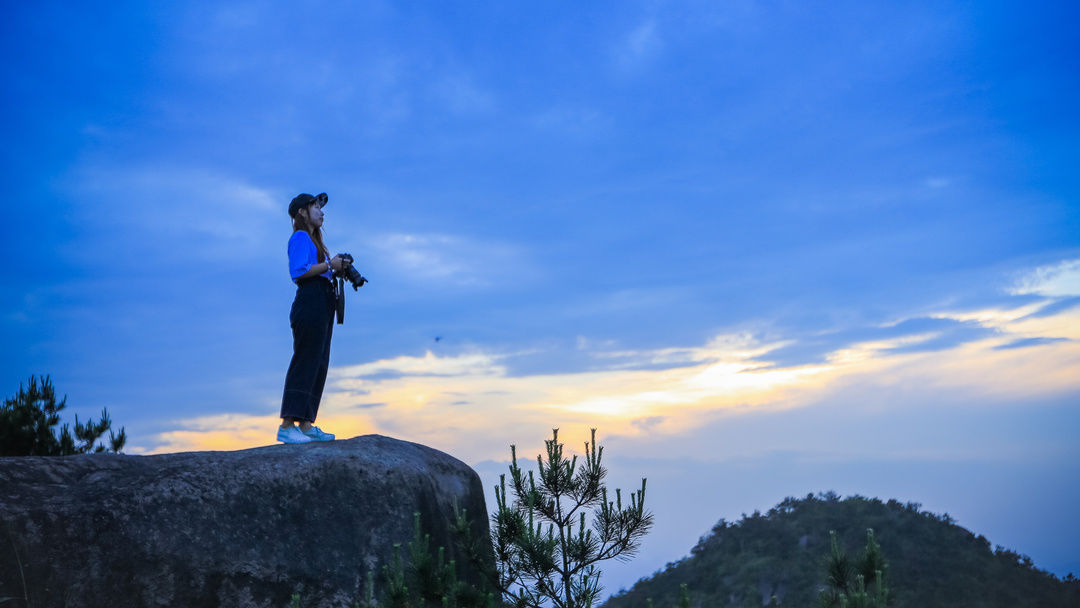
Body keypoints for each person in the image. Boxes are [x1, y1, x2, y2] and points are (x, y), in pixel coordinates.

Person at [278, 192, 344, 444]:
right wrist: (330, 266)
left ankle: (305, 424)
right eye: (315, 206)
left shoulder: (315, 242)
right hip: (310, 301)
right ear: (301, 212)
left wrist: (335, 266)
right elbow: (299, 271)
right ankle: (287, 424)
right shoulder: (300, 237)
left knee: (319, 363)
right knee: (306, 360)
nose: (321, 211)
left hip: (322, 303)